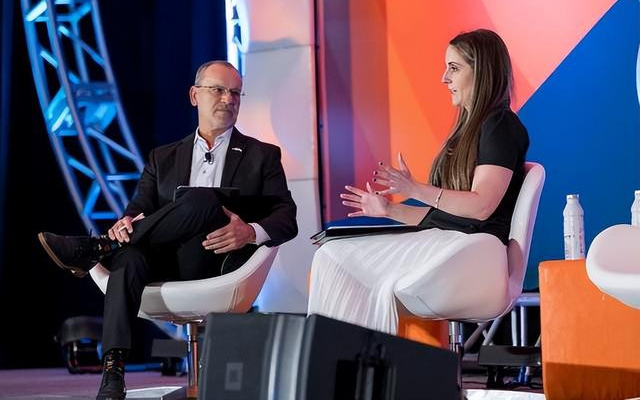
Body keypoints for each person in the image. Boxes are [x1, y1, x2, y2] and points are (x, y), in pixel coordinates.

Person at [38, 61, 298, 400]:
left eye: (235, 93)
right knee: (129, 258)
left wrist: (248, 232)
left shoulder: (262, 155)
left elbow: (287, 218)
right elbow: (136, 212)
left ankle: (97, 248)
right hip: (165, 261)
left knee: (204, 200)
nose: (228, 99)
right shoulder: (162, 158)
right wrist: (124, 224)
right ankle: (113, 372)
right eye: (218, 90)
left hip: (218, 263)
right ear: (194, 95)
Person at [307, 29, 529, 334]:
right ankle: (347, 357)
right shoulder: (470, 130)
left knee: (333, 257)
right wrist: (389, 210)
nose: (444, 78)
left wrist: (415, 189)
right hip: (452, 242)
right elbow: (445, 218)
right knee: (332, 255)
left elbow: (481, 207)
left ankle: (344, 358)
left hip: (472, 251)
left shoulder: (500, 125)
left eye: (454, 68)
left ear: (482, 72)